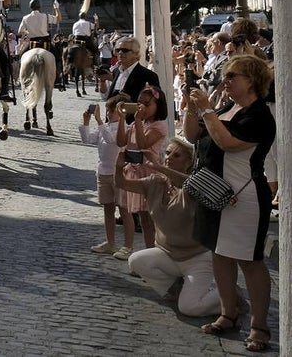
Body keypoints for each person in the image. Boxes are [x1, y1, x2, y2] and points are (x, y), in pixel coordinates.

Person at [185, 54, 276, 352]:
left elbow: (227, 142)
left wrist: (209, 111)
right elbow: (193, 135)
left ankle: (259, 327)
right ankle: (228, 313)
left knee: (249, 261)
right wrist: (192, 108)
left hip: (244, 196)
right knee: (220, 254)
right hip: (215, 193)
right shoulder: (227, 106)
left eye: (233, 75)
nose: (226, 80)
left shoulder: (259, 115)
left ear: (252, 80)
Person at [115, 137, 220, 318]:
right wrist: (118, 167)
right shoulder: (155, 182)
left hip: (197, 257)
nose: (170, 157)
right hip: (168, 254)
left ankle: (227, 296)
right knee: (136, 261)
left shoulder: (191, 187)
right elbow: (122, 183)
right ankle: (176, 289)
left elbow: (193, 185)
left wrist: (160, 168)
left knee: (189, 308)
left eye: (177, 155)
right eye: (168, 153)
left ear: (188, 163)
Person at [115, 85, 169, 257]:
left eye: (147, 104)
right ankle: (148, 254)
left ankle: (155, 253)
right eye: (139, 104)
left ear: (158, 106)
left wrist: (137, 121)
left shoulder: (159, 126)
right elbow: (120, 141)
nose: (142, 108)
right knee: (144, 219)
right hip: (135, 172)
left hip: (149, 174)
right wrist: (122, 119)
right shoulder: (137, 123)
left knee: (152, 220)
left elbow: (142, 144)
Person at [79, 95, 129, 256]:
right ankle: (110, 242)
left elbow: (110, 140)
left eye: (111, 111)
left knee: (124, 210)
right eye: (107, 110)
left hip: (119, 173)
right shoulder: (105, 126)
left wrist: (99, 121)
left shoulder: (124, 127)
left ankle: (128, 245)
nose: (108, 114)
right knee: (108, 209)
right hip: (103, 171)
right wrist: (86, 122)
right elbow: (87, 140)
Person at [17, 0, 63, 90]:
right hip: (45, 43)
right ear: (39, 7)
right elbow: (58, 19)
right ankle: (57, 80)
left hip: (33, 43)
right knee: (58, 58)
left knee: (21, 58)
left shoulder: (25, 18)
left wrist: (27, 32)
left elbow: (20, 31)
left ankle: (21, 78)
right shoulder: (45, 16)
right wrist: (57, 8)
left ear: (31, 7)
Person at [105, 36, 160, 103]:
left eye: (125, 50)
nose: (120, 53)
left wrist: (132, 99)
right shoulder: (116, 71)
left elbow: (156, 102)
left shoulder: (148, 75)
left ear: (136, 53)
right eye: (118, 50)